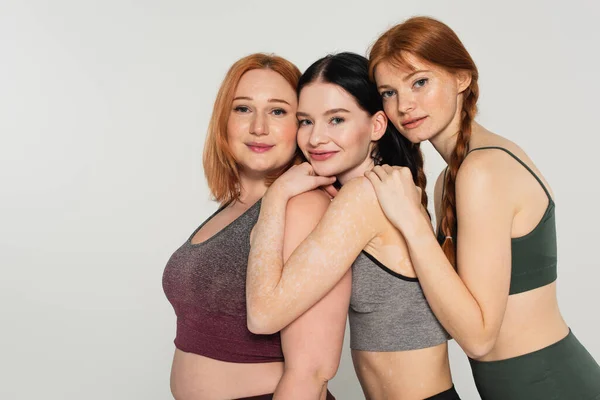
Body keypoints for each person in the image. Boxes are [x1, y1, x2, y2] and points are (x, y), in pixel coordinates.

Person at [365, 16, 600, 400]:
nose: (404, 104)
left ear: (462, 78)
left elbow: (478, 337)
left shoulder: (482, 171)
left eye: (419, 82)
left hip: (549, 386)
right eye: (388, 93)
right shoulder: (453, 177)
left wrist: (411, 221)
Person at [246, 52, 460, 400]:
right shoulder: (380, 188)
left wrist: (275, 198)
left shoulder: (365, 196)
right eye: (305, 121)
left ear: (376, 126)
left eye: (336, 120)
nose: (315, 138)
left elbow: (263, 315)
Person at [162, 53, 347, 400]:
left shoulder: (304, 206)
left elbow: (313, 370)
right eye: (243, 109)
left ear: (303, 124)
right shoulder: (233, 207)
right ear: (223, 121)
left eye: (278, 111)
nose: (258, 127)